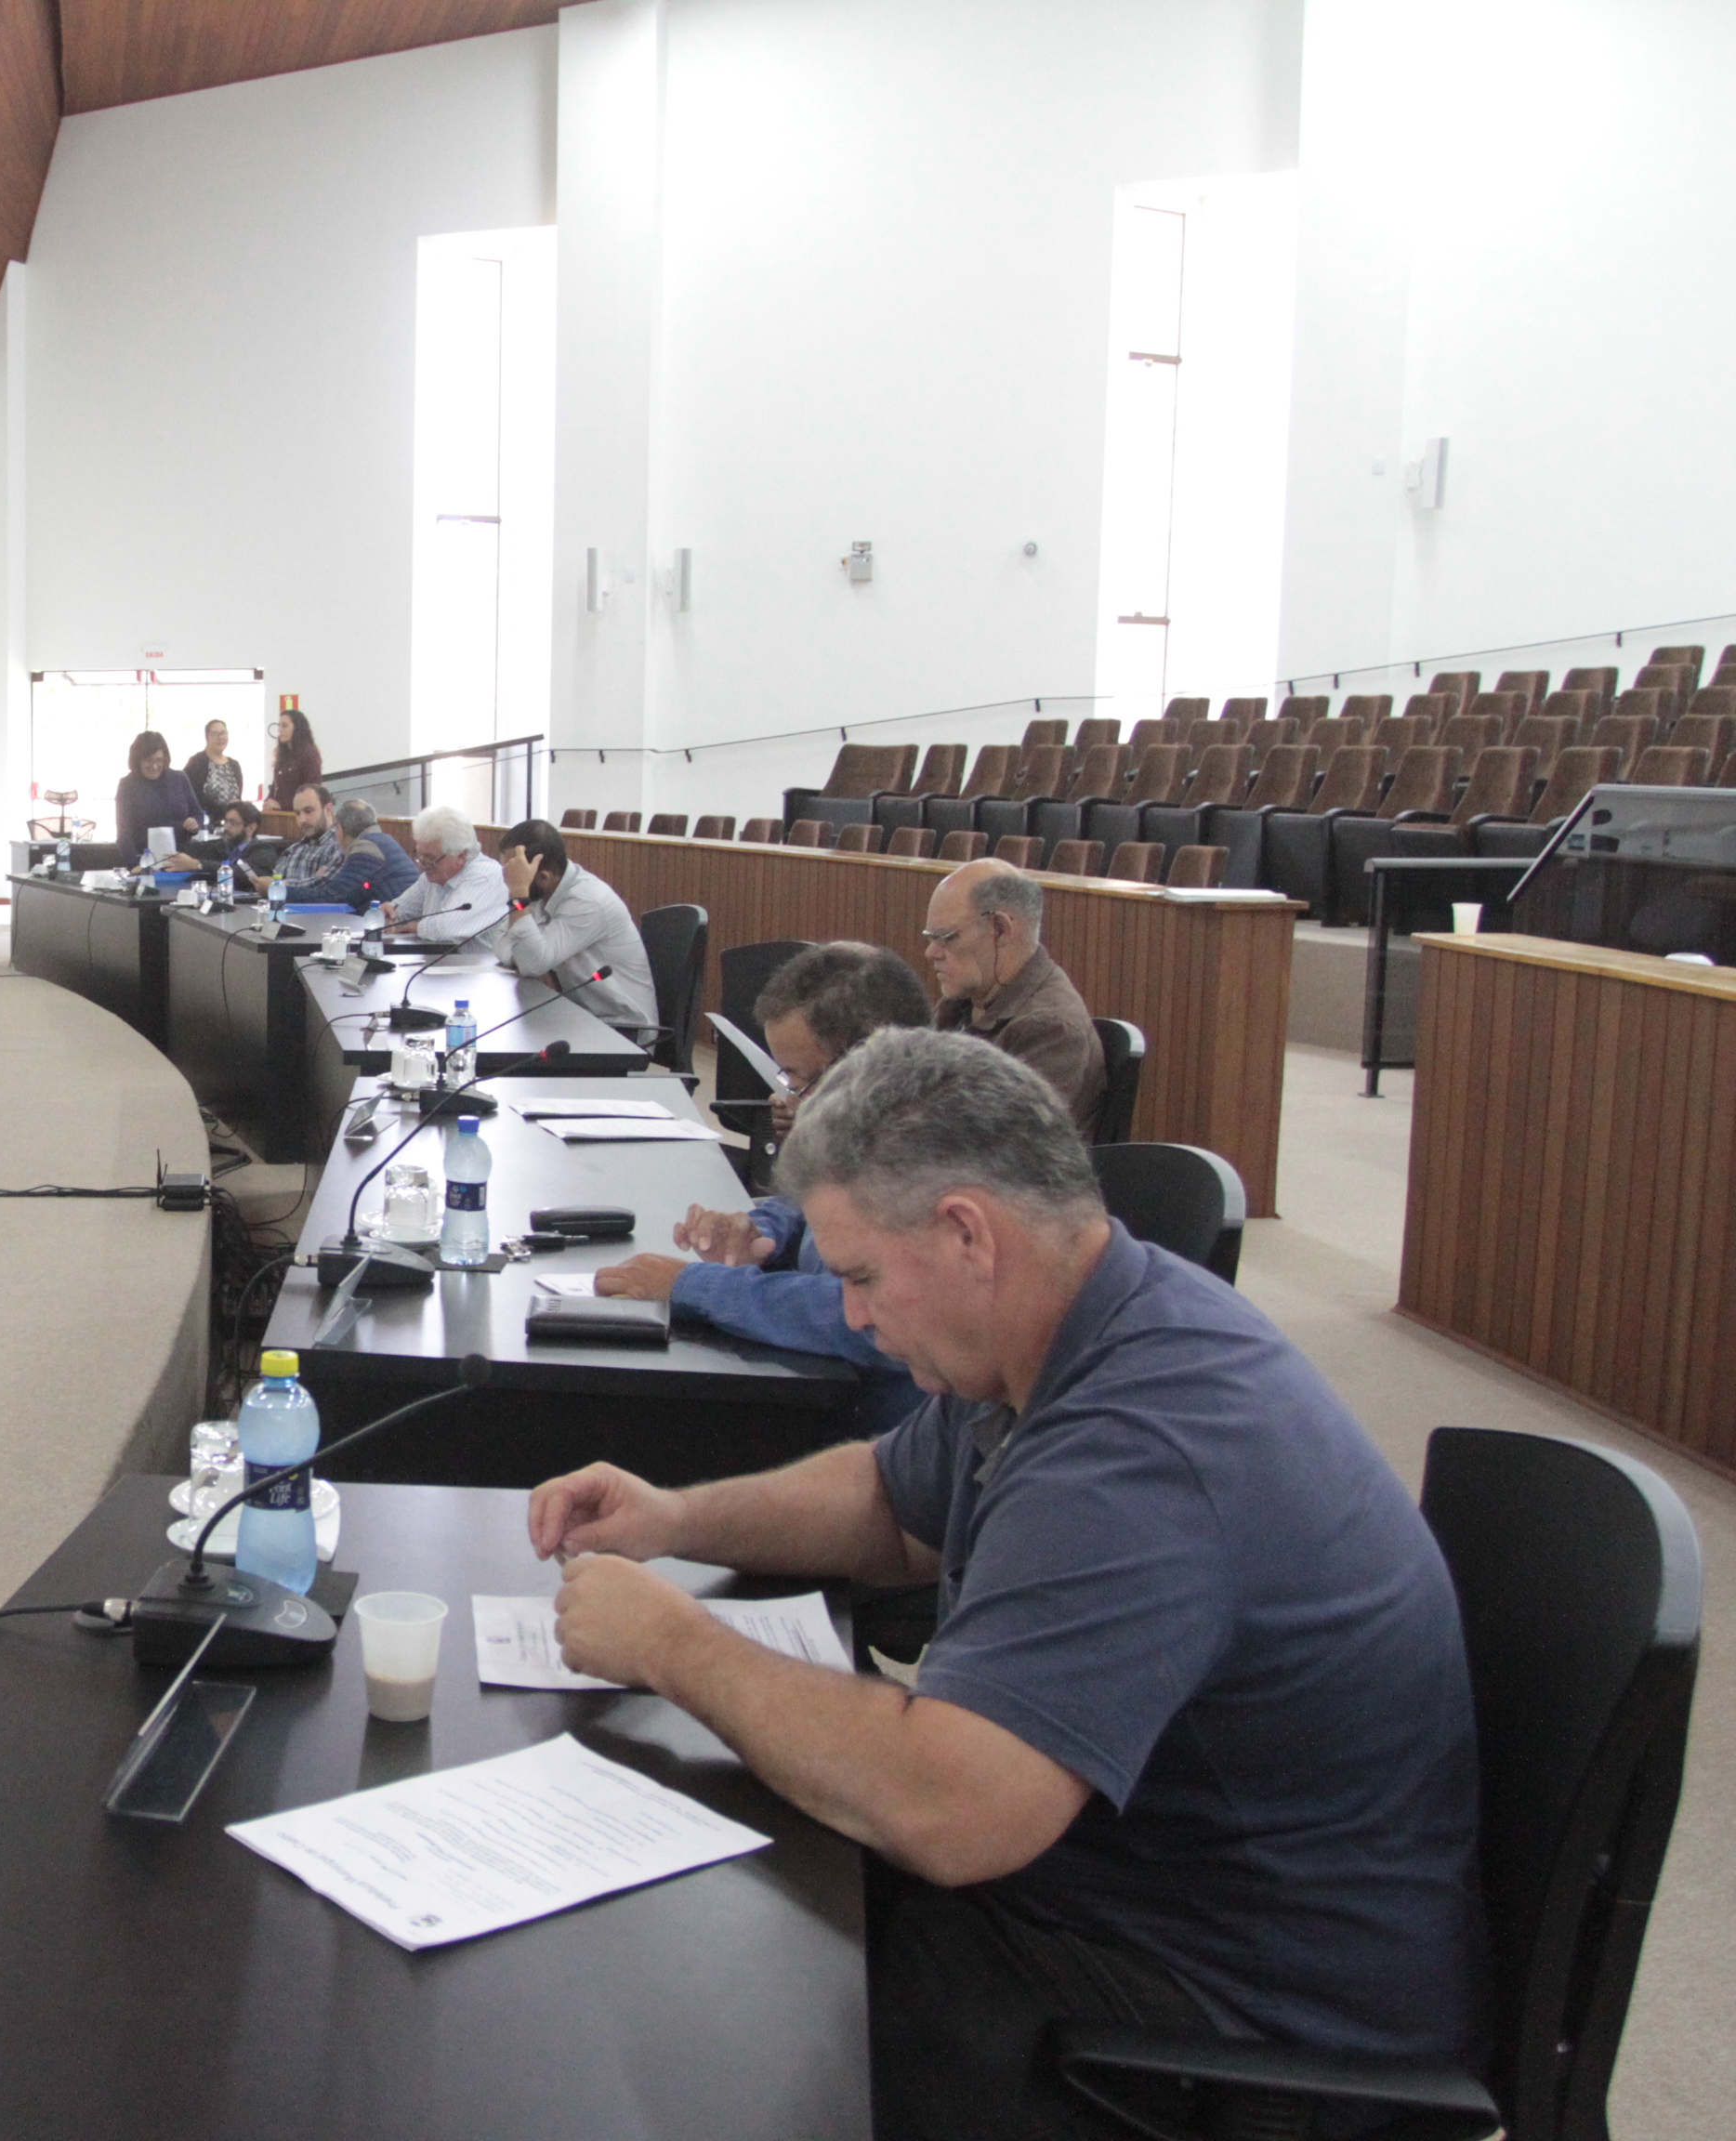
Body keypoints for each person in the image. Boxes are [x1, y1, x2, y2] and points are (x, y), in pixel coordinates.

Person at [531, 1031, 1482, 2140]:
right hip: (1138, 1897)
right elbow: (892, 1502)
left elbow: (954, 1811)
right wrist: (680, 1519)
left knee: (714, 2022)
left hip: (1245, 2025)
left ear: (968, 1234)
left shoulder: (1142, 1451)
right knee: (731, 1882)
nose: (852, 1316)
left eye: (860, 1277)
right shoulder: (1080, 1319)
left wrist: (674, 1645)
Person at [592, 941, 929, 1430]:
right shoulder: (862, 1134)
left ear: (868, 1061)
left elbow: (870, 1318)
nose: (789, 1101)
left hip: (867, 1425)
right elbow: (805, 1203)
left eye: (798, 1079)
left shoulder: (929, 1162)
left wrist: (693, 1285)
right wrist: (759, 1231)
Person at [924, 859, 1104, 1135]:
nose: (931, 952)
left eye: (947, 938)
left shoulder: (1051, 1029)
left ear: (1000, 930)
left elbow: (997, 1144)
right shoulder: (963, 1002)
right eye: (931, 938)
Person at [492, 817, 660, 1038]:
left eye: (514, 876)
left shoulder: (588, 901)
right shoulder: (544, 892)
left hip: (621, 1029)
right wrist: (523, 957)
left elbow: (531, 963)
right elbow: (499, 941)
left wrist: (518, 892)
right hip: (580, 1016)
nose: (509, 881)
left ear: (542, 876)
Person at [383, 803, 506, 943]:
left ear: (461, 856)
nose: (422, 865)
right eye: (419, 855)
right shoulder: (433, 877)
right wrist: (388, 915)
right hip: (438, 956)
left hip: (474, 958)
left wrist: (412, 927)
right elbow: (399, 912)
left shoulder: (484, 876)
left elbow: (446, 929)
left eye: (430, 858)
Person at [279, 794, 408, 909]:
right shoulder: (382, 840)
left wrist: (280, 890)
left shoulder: (366, 848)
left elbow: (335, 898)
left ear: (339, 829)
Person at [113, 729, 204, 855]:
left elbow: (198, 814)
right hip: (145, 857)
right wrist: (134, 863)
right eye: (149, 761)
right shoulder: (127, 785)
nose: (154, 766)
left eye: (159, 760)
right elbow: (124, 833)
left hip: (181, 856)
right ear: (138, 760)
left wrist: (194, 823)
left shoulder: (179, 778)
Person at [180, 718, 243, 819]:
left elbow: (238, 798)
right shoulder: (197, 762)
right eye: (215, 734)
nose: (220, 737)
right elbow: (193, 796)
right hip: (206, 820)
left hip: (231, 822)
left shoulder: (234, 765)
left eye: (223, 733)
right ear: (207, 737)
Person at [266, 702, 322, 809]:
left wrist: (281, 806)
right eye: (279, 726)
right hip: (281, 815)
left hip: (298, 814)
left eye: (284, 726)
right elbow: (275, 787)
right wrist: (268, 801)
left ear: (297, 728)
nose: (279, 730)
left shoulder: (309, 754)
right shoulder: (284, 755)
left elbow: (311, 791)